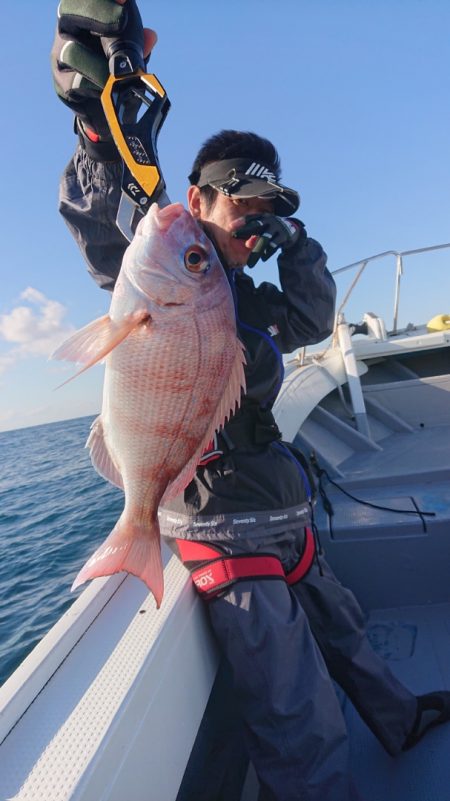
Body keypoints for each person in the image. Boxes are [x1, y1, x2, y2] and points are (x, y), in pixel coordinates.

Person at [51, 2, 450, 799]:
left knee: (347, 629)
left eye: (273, 213)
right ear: (195, 202)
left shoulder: (250, 300)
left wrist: (297, 248)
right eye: (245, 207)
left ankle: (398, 716)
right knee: (299, 711)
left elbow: (312, 319)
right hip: (221, 526)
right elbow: (106, 227)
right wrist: (99, 126)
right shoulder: (172, 260)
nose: (257, 225)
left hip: (283, 509)